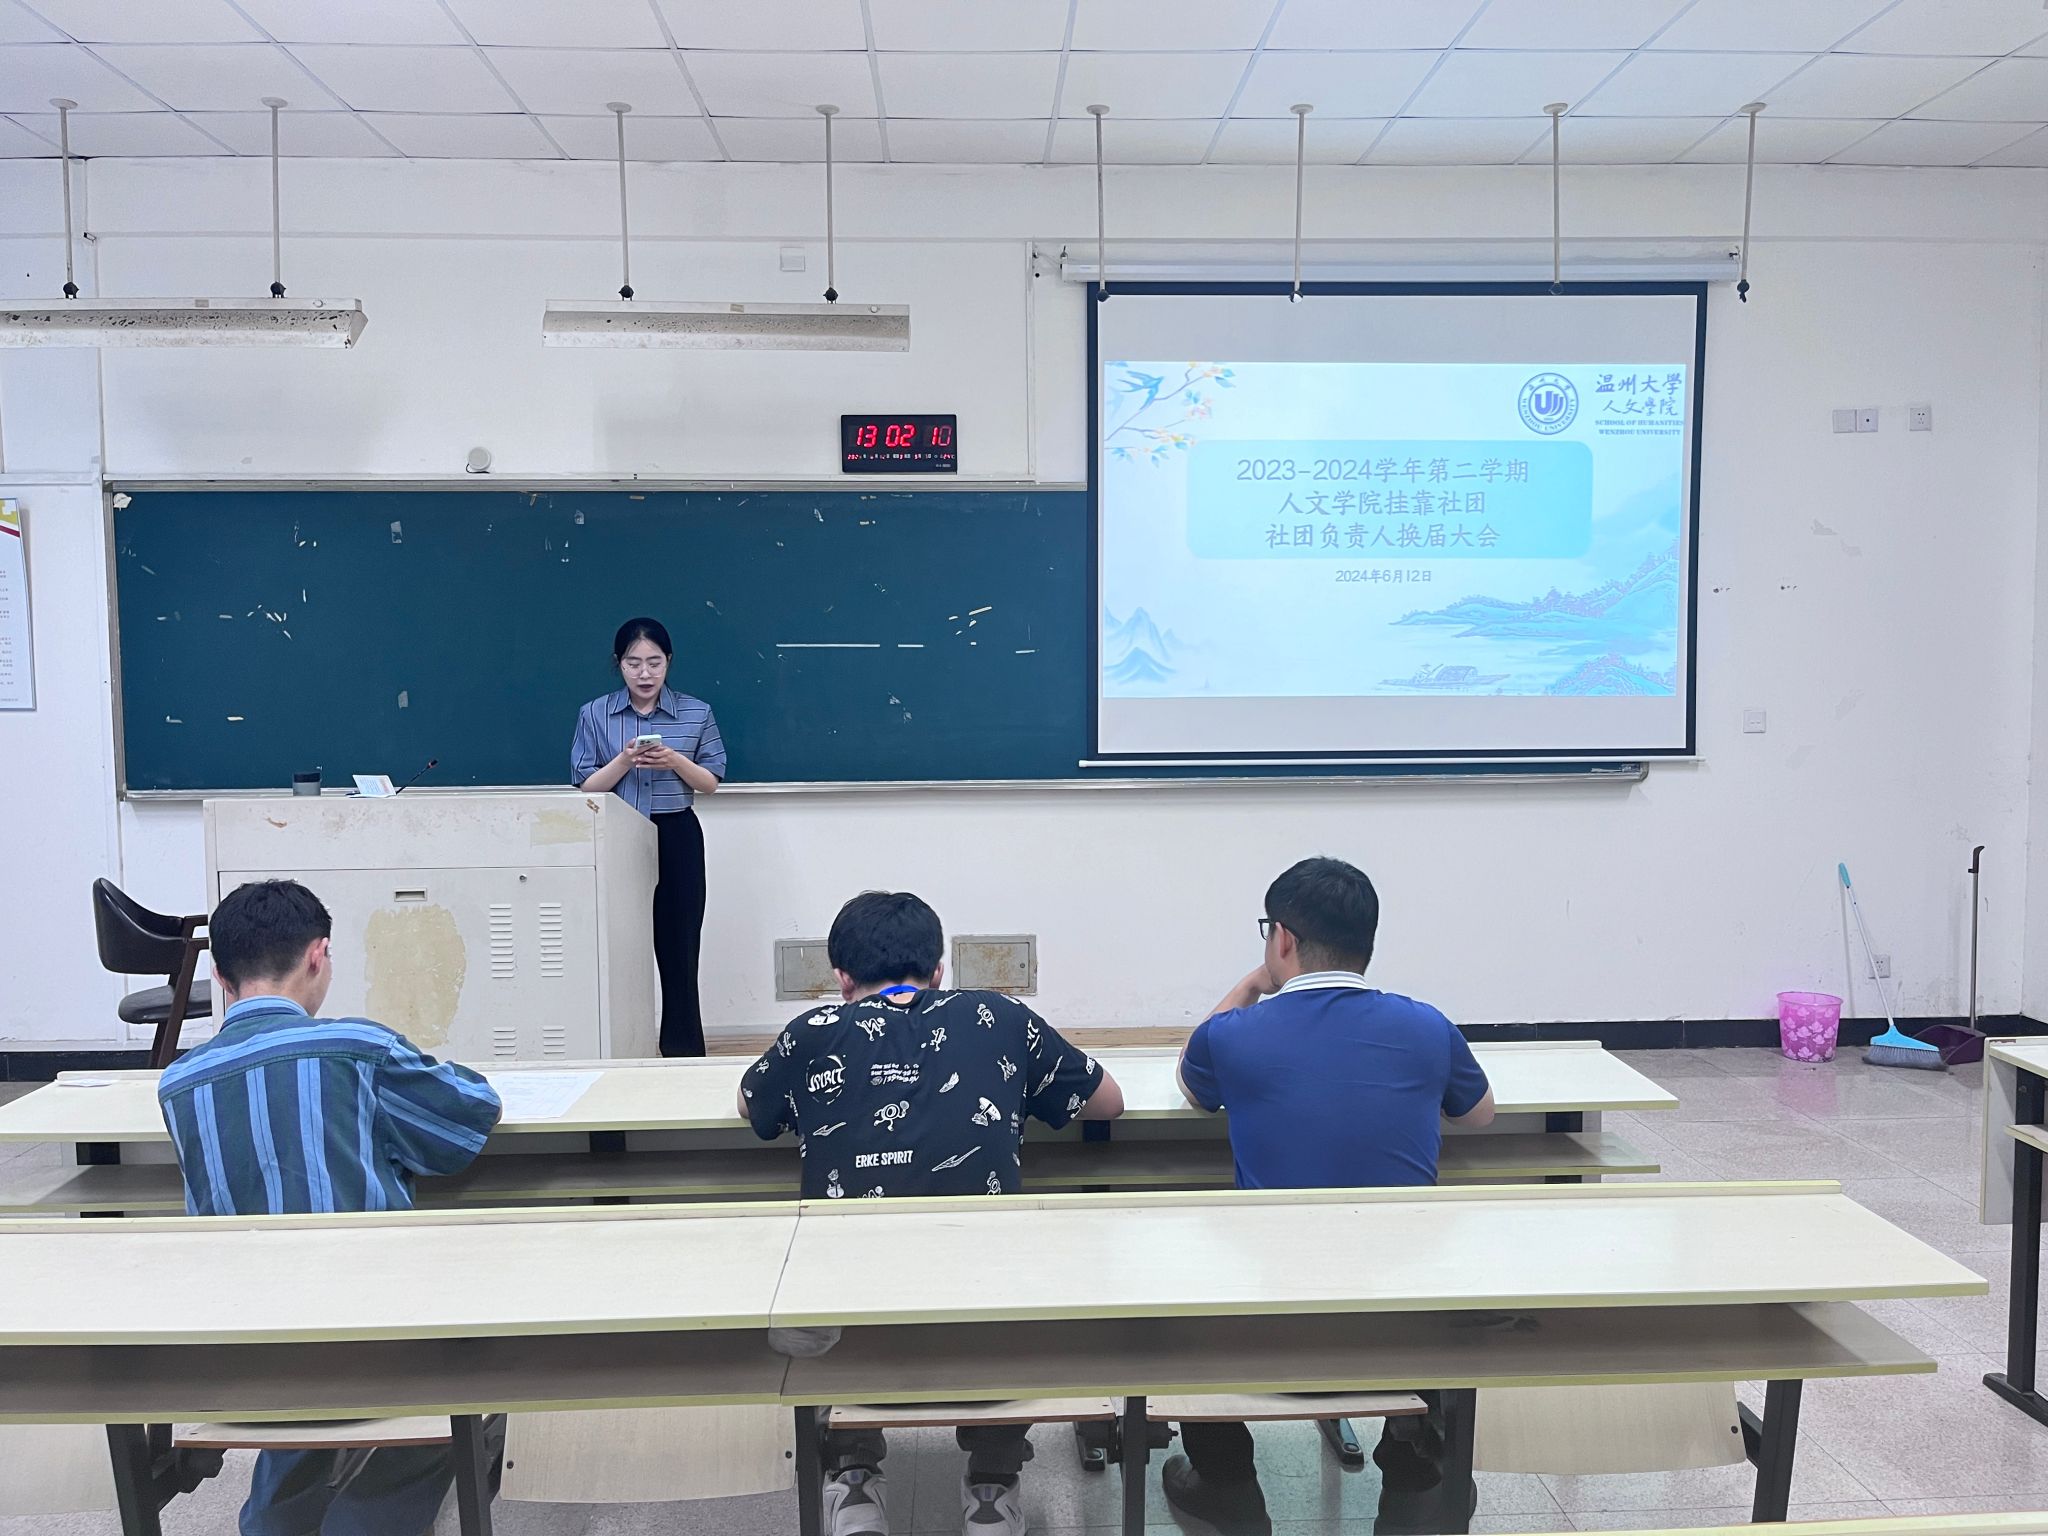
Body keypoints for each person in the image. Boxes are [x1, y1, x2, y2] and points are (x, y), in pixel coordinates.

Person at [742, 891, 1124, 1536]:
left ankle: (854, 1477)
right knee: (1014, 1273)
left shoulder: (810, 1033)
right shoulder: (1000, 1016)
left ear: (841, 978)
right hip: (984, 1315)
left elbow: (754, 1106)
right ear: (939, 970)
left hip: (852, 1317)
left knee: (824, 1276)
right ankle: (993, 1486)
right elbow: (1107, 1101)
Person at [1158, 856, 1495, 1536]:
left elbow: (1193, 1088)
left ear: (1281, 938)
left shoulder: (1233, 1035)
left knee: (1178, 1276)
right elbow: (1480, 1115)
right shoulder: (1427, 1026)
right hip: (1405, 1335)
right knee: (1434, 1263)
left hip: (1268, 1331)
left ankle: (1226, 1484)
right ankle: (1416, 1479)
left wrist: (1252, 984)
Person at [156, 879, 504, 1536]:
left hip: (241, 1361)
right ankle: (368, 1519)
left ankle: (274, 1523)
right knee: (487, 1357)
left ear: (220, 976)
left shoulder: (178, 1084)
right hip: (373, 1350)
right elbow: (468, 1121)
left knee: (292, 1355)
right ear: (318, 955)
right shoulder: (358, 1049)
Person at [571, 616, 727, 1057]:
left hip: (677, 834)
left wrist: (674, 760)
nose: (644, 673)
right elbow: (587, 785)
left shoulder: (697, 712)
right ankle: (621, 1049)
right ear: (619, 664)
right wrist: (624, 760)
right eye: (633, 663)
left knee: (680, 950)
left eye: (654, 663)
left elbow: (710, 782)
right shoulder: (595, 713)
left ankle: (683, 1053)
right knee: (619, 947)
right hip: (618, 834)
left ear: (668, 662)